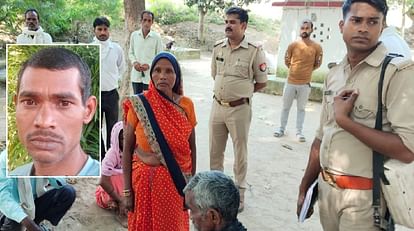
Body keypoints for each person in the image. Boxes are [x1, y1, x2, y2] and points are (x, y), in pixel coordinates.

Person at [297, 0, 414, 230]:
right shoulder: (334, 74)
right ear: (342, 25)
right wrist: (305, 185)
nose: (363, 28)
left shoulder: (396, 73)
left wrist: (346, 122)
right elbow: (321, 137)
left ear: (382, 27)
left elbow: (407, 149)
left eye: (372, 22)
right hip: (327, 192)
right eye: (356, 20)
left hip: (365, 201)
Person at [122, 52, 197, 230]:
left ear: (177, 76)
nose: (162, 76)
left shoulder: (186, 105)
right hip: (143, 185)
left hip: (175, 184)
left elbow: (191, 149)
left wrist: (190, 189)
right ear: (151, 74)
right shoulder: (140, 104)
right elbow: (127, 150)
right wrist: (127, 191)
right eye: (157, 70)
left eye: (169, 71)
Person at [209, 6, 267, 213]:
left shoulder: (254, 51)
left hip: (239, 110)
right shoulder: (218, 47)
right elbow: (214, 74)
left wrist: (241, 95)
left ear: (243, 25)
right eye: (226, 21)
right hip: (217, 106)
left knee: (239, 152)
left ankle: (239, 194)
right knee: (215, 152)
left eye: (232, 22)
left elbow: (261, 82)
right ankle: (215, 193)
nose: (228, 25)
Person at [9, 47, 99, 176]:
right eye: (30, 102)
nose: (44, 122)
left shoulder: (111, 184)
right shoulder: (9, 183)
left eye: (64, 103)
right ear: (16, 104)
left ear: (88, 110)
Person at [0, 149, 76, 230]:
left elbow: (59, 182)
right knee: (14, 224)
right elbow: (3, 198)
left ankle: (36, 221)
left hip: (34, 199)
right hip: (15, 206)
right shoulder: (6, 160)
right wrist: (29, 224)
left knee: (68, 192)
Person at [273, 19, 323, 142]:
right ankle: (281, 129)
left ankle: (299, 132)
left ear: (312, 29)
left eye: (307, 28)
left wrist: (306, 72)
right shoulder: (293, 45)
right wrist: (295, 70)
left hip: (305, 84)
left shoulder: (317, 47)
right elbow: (287, 60)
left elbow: (317, 63)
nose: (304, 30)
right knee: (285, 107)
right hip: (290, 82)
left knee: (301, 109)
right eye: (302, 28)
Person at [92, 17, 126, 157]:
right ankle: (101, 155)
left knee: (113, 127)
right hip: (96, 94)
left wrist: (114, 81)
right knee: (96, 127)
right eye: (99, 29)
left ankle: (112, 155)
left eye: (105, 29)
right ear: (94, 30)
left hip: (112, 94)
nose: (103, 32)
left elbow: (121, 67)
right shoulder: (91, 48)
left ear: (109, 30)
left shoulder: (116, 49)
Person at [95, 121, 127, 227]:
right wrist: (120, 199)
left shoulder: (134, 151)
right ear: (116, 139)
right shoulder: (111, 155)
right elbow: (103, 181)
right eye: (123, 138)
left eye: (130, 136)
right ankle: (120, 210)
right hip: (109, 192)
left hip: (125, 190)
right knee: (119, 177)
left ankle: (123, 203)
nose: (127, 141)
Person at [128, 10, 163, 94]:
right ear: (141, 21)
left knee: (150, 102)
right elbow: (131, 52)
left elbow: (159, 56)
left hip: (150, 77)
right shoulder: (134, 35)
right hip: (136, 76)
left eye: (149, 20)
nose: (146, 23)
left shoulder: (156, 37)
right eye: (144, 20)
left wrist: (149, 65)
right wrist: (135, 63)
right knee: (138, 102)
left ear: (152, 22)